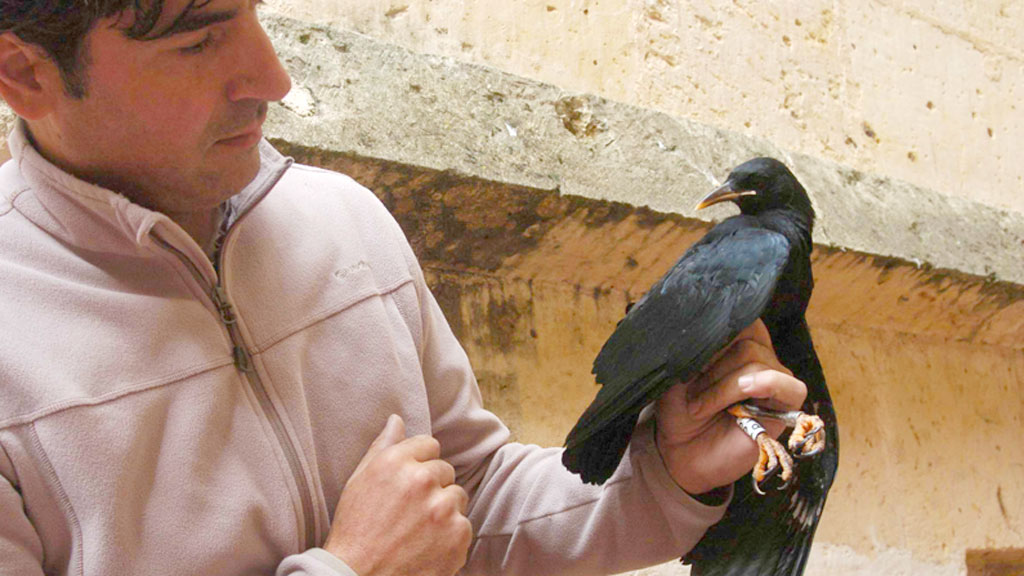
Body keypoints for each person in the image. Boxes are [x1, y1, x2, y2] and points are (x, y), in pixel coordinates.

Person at [0, 1, 810, 574]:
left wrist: (662, 473)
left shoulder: (346, 221)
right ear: (23, 73)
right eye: (199, 39)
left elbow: (473, 509)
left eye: (255, 10)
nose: (273, 77)